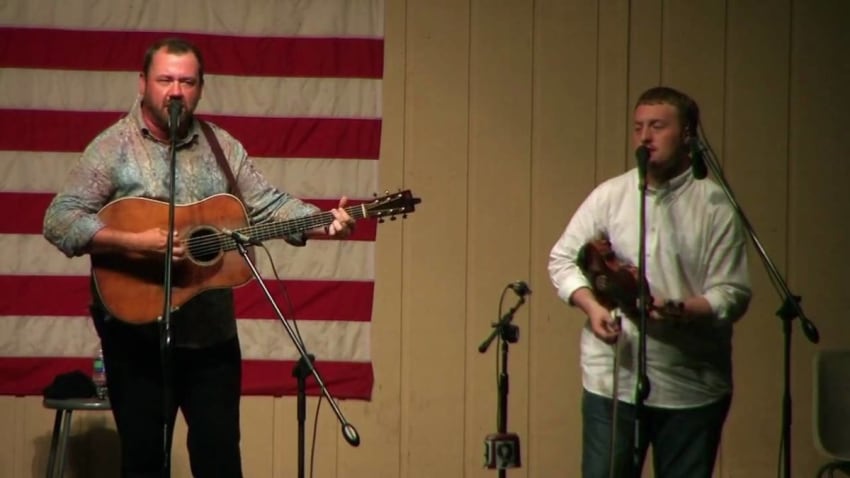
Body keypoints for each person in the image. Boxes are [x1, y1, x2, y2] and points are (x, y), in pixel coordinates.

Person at [42, 37, 356, 477]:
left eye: (186, 81)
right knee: (145, 463)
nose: (175, 91)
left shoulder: (221, 145)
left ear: (200, 88)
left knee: (220, 459)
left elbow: (267, 203)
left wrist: (321, 221)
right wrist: (134, 243)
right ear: (143, 83)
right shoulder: (113, 147)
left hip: (211, 337)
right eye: (165, 79)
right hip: (136, 340)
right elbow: (59, 220)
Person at [548, 86, 751, 478]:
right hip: (613, 381)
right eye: (638, 126)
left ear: (688, 134)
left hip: (690, 385)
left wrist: (680, 310)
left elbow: (732, 293)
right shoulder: (611, 195)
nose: (645, 136)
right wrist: (591, 306)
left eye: (657, 126)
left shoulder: (715, 206)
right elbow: (561, 259)